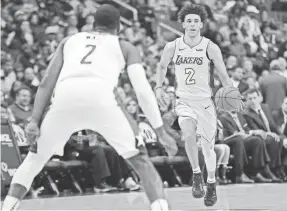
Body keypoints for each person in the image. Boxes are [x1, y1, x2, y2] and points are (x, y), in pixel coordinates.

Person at [2, 5, 177, 211]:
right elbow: (143, 91)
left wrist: (34, 120)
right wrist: (160, 131)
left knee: (34, 159)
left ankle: (7, 208)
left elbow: (46, 83)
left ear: (93, 24)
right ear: (119, 27)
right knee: (139, 160)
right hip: (102, 99)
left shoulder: (69, 41)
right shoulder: (125, 46)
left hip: (65, 99)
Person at [155, 4, 243, 207]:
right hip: (183, 100)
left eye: (196, 21)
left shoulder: (210, 47)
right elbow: (161, 66)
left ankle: (211, 183)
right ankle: (196, 175)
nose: (193, 24)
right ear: (183, 24)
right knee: (187, 134)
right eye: (189, 21)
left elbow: (222, 73)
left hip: (205, 102)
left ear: (201, 24)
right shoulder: (173, 46)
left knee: (208, 147)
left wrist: (230, 91)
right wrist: (159, 87)